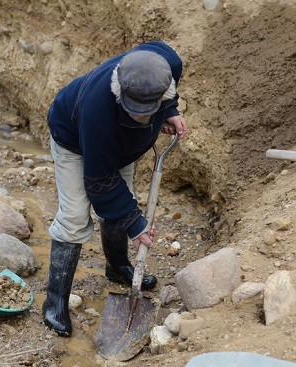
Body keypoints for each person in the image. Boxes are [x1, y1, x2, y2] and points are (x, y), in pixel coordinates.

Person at [43, 41, 188, 336]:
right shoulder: (98, 110)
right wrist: (136, 225)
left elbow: (156, 66)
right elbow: (100, 180)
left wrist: (169, 109)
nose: (142, 116)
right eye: (135, 110)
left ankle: (118, 267)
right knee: (74, 216)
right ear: (120, 91)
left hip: (121, 144)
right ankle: (55, 301)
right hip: (74, 139)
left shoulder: (166, 64)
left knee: (124, 202)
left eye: (149, 110)